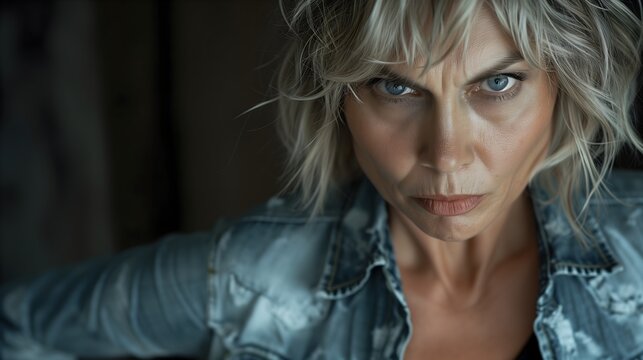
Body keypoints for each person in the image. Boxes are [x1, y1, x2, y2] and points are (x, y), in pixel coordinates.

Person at [2, 0, 642, 359]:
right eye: (395, 87)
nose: (446, 155)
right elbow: (23, 327)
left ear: (565, 85)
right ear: (339, 101)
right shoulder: (250, 280)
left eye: (497, 83)